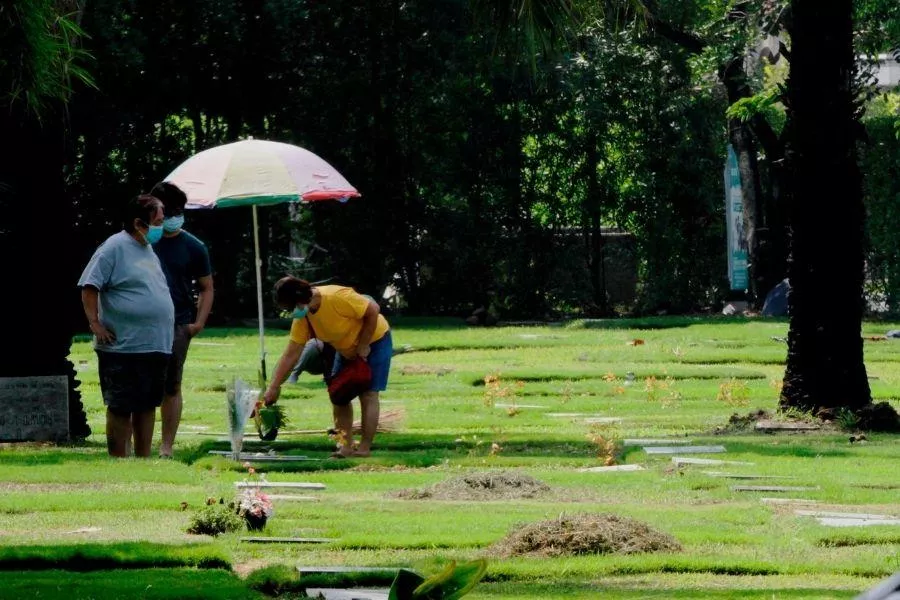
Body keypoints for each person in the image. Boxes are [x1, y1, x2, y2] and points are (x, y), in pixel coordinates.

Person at [78, 195, 174, 458]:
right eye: (157, 221)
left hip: (155, 344)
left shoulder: (147, 248)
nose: (161, 226)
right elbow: (89, 286)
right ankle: (119, 459)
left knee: (147, 404)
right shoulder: (114, 247)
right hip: (122, 346)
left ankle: (143, 459)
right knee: (121, 405)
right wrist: (95, 323)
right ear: (138, 222)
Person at [264, 277, 392, 457]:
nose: (291, 312)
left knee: (368, 394)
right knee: (338, 396)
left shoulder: (336, 296)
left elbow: (373, 310)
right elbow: (291, 353)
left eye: (290, 307)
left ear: (300, 299)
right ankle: (344, 446)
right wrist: (274, 387)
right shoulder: (304, 317)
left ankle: (364, 448)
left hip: (375, 340)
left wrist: (364, 345)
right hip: (344, 348)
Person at [150, 181, 214, 458]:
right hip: (145, 325)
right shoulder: (142, 242)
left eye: (180, 210)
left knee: (172, 385)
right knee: (142, 387)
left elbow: (206, 287)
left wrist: (198, 323)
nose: (175, 216)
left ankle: (166, 447)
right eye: (170, 210)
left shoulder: (194, 246)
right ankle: (137, 445)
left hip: (178, 324)